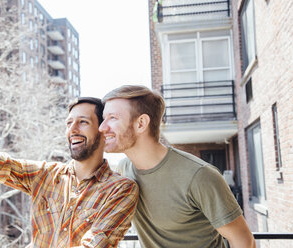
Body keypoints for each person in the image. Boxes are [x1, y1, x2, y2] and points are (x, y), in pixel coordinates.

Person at [0, 61, 139, 248]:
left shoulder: (120, 190)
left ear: (103, 131)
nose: (72, 129)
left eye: (83, 122)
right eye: (68, 123)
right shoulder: (45, 175)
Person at [99, 85, 256, 248]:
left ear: (141, 123)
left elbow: (244, 240)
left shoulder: (199, 175)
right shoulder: (124, 170)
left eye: (113, 118)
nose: (102, 127)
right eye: (104, 119)